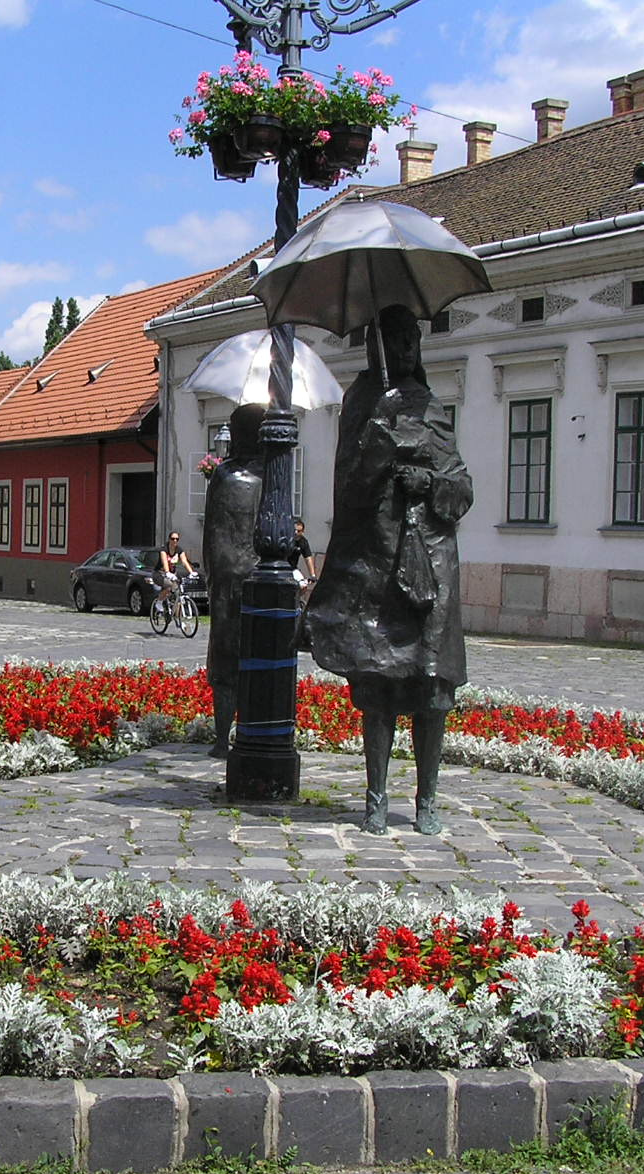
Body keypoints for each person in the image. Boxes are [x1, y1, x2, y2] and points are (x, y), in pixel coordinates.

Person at [304, 305, 473, 836]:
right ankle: (376, 799)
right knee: (378, 684)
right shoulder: (362, 401)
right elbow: (347, 490)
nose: (404, 349)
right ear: (379, 345)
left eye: (412, 340)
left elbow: (463, 487)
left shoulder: (431, 406)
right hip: (377, 562)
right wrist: (375, 453)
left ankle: (427, 799)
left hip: (433, 561)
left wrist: (430, 485)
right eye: (395, 340)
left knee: (431, 687)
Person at [202, 404, 265, 757]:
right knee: (243, 657)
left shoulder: (225, 475)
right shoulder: (266, 474)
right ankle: (229, 733)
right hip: (249, 576)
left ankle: (222, 736)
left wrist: (213, 575)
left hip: (229, 577)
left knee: (227, 658)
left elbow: (211, 535)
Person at [157, 529, 197, 612]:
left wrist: (191, 572)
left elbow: (184, 561)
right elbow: (164, 561)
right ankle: (159, 601)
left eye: (177, 539)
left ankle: (178, 620)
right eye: (173, 538)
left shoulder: (179, 549)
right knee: (169, 586)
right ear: (169, 539)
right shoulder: (164, 549)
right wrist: (167, 572)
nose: (175, 541)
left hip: (173, 574)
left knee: (178, 596)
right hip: (160, 573)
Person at [288, 518, 318, 604]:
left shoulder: (303, 542)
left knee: (303, 586)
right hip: (282, 567)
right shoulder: (286, 539)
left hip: (293, 569)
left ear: (302, 531)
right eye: (294, 530)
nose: (296, 533)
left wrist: (312, 575)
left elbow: (308, 558)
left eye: (299, 531)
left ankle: (294, 602)